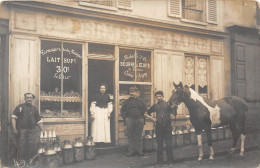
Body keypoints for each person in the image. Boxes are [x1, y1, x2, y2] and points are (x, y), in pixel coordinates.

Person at [145, 91, 176, 165]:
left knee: (169, 145)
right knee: (159, 145)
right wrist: (153, 119)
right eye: (157, 97)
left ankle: (170, 161)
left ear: (163, 96)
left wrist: (174, 107)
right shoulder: (155, 106)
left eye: (160, 96)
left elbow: (174, 113)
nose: (158, 98)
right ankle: (159, 162)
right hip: (159, 127)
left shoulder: (168, 105)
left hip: (168, 127)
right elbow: (147, 113)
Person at [11, 93, 44, 164]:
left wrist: (43, 130)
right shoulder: (19, 107)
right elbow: (13, 118)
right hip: (22, 131)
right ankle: (21, 163)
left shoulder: (35, 109)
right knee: (22, 147)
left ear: (32, 99)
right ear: (25, 99)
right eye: (27, 98)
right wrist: (14, 129)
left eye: (30, 98)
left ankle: (30, 162)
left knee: (32, 148)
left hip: (32, 131)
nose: (29, 99)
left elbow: (39, 121)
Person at [120, 86, 147, 156]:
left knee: (138, 135)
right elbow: (122, 110)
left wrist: (142, 118)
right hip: (129, 120)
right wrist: (125, 118)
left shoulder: (141, 101)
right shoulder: (127, 101)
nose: (132, 93)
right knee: (130, 135)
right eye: (131, 92)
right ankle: (131, 151)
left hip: (139, 120)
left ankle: (139, 151)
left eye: (133, 92)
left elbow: (145, 110)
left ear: (137, 92)